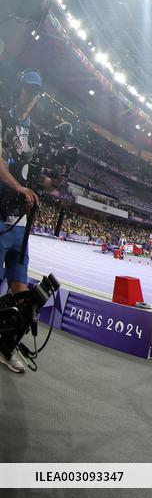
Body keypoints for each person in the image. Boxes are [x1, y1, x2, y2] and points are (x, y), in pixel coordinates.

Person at [0, 70, 43, 374]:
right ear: (20, 90)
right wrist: (17, 187)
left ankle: (7, 345)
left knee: (20, 290)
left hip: (20, 225)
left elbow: (38, 179)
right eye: (29, 89)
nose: (32, 95)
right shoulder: (3, 120)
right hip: (1, 216)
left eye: (36, 92)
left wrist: (55, 179)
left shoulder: (36, 136)